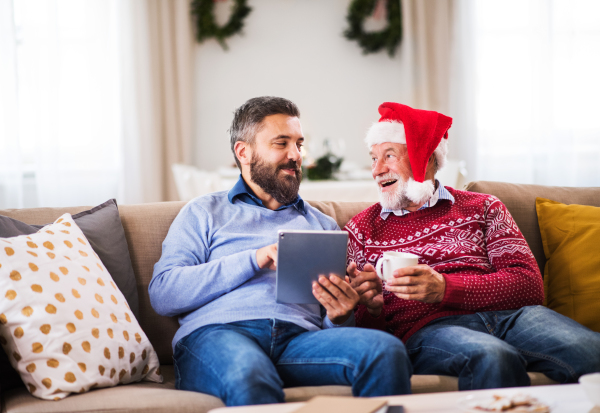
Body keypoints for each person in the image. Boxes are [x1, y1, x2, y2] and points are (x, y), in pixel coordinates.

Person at [149, 97, 411, 406]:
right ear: (243, 152)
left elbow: (330, 319)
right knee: (249, 374)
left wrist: (340, 315)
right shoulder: (204, 212)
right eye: (281, 143)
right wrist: (255, 257)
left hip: (300, 341)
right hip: (219, 335)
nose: (295, 155)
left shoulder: (322, 225)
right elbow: (164, 294)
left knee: (386, 350)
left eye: (299, 144)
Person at [346, 101, 600, 390]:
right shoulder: (361, 229)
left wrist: (445, 288)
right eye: (373, 158)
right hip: (430, 330)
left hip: (513, 318)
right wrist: (371, 308)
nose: (377, 170)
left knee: (590, 350)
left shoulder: (482, 206)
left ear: (425, 157)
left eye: (389, 156)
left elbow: (530, 285)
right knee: (493, 357)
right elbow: (362, 335)